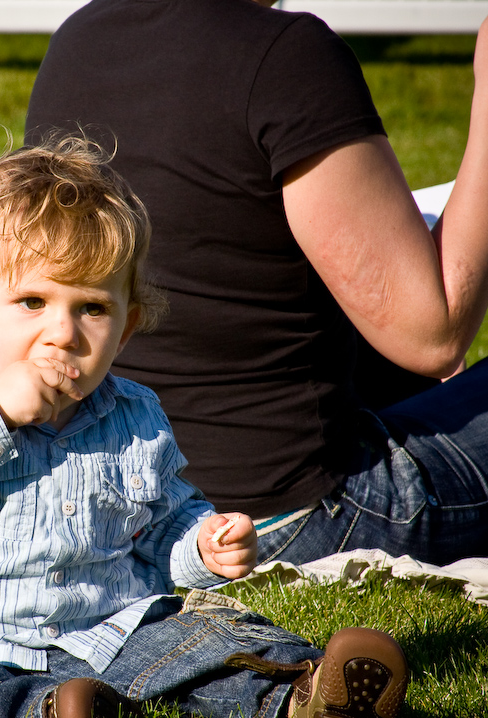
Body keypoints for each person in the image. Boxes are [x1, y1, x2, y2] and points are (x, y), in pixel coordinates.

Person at [0, 137, 408, 718]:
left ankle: (306, 697)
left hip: (106, 638)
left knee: (200, 638)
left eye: (92, 309)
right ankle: (43, 717)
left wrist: (203, 548)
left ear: (127, 325)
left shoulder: (134, 415)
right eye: (32, 301)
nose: (63, 331)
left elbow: (159, 530)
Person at [24, 0, 488, 568]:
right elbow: (433, 337)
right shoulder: (286, 54)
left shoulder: (78, 38)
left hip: (131, 510)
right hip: (289, 517)